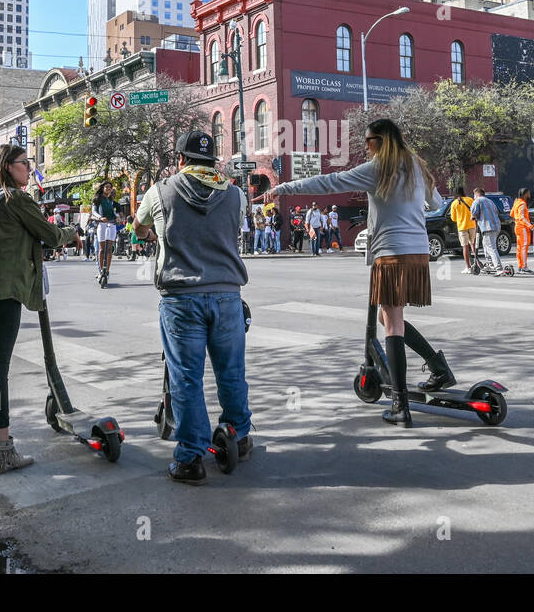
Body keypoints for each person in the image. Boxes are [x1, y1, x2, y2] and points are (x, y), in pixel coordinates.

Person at [264, 118, 445, 427]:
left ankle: (401, 405)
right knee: (387, 317)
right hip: (418, 252)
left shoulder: (379, 169)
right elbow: (436, 203)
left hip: (391, 254)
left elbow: (328, 182)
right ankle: (437, 367)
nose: (366, 147)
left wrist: (282, 188)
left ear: (381, 141)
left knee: (393, 323)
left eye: (369, 141)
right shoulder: (416, 166)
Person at [133, 130, 252, 484]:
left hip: (181, 298)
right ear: (213, 162)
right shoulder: (236, 195)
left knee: (186, 377)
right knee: (231, 372)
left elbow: (138, 229)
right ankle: (239, 436)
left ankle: (190, 458)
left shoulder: (160, 191)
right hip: (227, 295)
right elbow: (234, 229)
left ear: (180, 160)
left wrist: (157, 232)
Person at [0, 144, 75, 474]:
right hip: (2, 291)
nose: (29, 168)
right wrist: (71, 232)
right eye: (25, 163)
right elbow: (50, 235)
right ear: (9, 167)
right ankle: (3, 446)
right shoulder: (16, 199)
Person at [472, 188, 509, 275]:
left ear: (476, 195)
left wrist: (474, 217)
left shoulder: (477, 201)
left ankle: (499, 268)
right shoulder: (490, 201)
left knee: (491, 247)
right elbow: (496, 212)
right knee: (486, 245)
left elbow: (473, 213)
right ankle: (490, 264)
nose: (474, 197)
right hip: (496, 226)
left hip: (487, 227)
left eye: (474, 195)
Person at [92, 180, 118, 285]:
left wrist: (118, 218)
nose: (108, 189)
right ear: (102, 188)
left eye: (110, 188)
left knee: (109, 249)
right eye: (106, 187)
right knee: (102, 249)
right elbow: (93, 211)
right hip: (101, 225)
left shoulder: (111, 200)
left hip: (111, 225)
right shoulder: (98, 199)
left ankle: (107, 270)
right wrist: (100, 217)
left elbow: (114, 213)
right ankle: (101, 270)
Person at [449, 185, 478, 274]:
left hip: (462, 227)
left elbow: (453, 218)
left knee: (465, 247)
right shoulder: (470, 200)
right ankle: (477, 264)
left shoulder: (454, 203)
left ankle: (468, 267)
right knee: (473, 244)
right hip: (472, 225)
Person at [511, 188, 534, 274]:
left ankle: (521, 267)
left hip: (517, 227)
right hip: (523, 228)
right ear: (525, 194)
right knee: (524, 247)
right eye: (528, 193)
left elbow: (511, 214)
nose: (529, 194)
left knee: (519, 248)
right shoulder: (522, 203)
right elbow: (522, 217)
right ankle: (524, 267)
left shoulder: (517, 202)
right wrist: (531, 226)